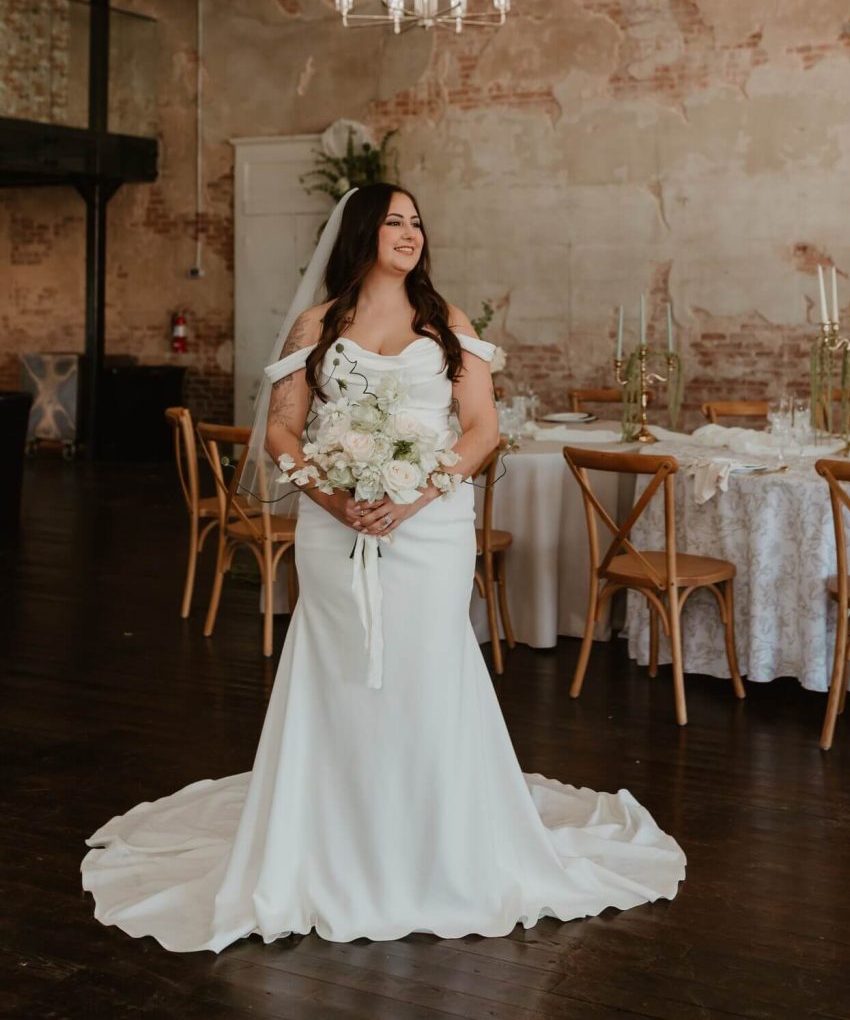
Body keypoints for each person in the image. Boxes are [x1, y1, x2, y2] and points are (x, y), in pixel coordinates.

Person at [81, 184, 685, 952]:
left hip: (429, 528)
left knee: (425, 666)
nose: (409, 233)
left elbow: (482, 428)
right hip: (334, 529)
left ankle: (437, 845)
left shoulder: (447, 322)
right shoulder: (317, 324)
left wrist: (418, 494)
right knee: (340, 669)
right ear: (363, 232)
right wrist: (332, 498)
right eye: (394, 221)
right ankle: (330, 840)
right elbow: (283, 432)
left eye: (417, 222)